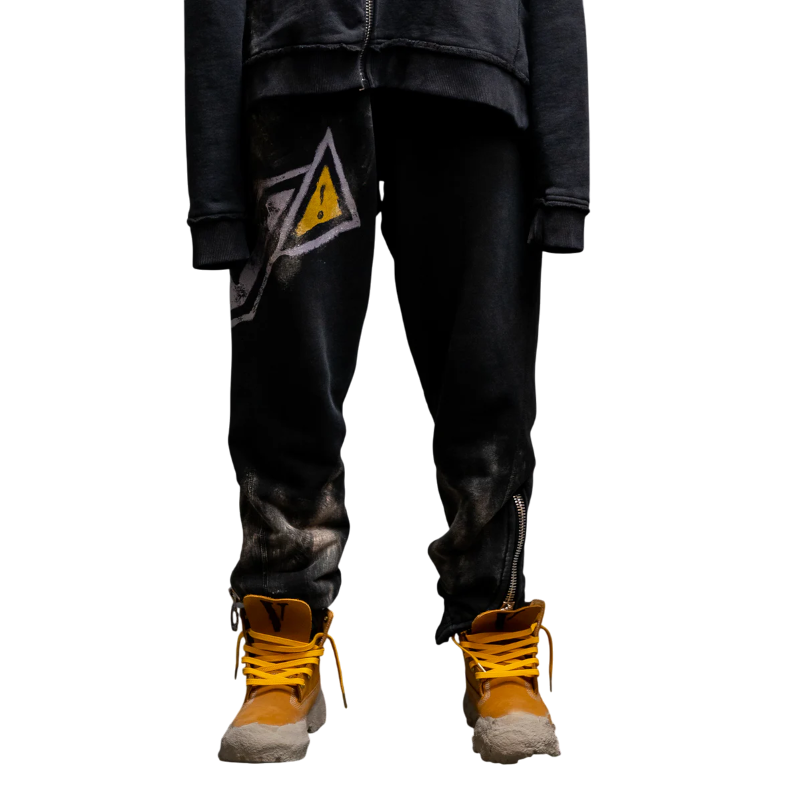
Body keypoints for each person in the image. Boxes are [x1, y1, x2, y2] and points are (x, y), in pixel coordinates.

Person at [183, 0, 590, 765]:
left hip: (478, 78)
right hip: (297, 77)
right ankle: (282, 641)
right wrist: (213, 187)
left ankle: (499, 635)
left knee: (490, 386)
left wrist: (566, 172)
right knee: (285, 388)